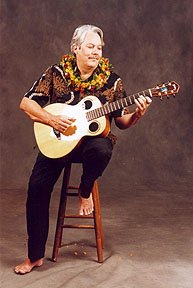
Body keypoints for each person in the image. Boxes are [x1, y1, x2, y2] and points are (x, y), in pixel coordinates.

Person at [14, 24, 152, 274]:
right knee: (36, 188)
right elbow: (26, 103)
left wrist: (137, 115)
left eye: (99, 47)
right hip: (58, 140)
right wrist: (51, 120)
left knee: (102, 148)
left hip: (89, 144)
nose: (96, 52)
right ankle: (35, 257)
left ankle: (85, 190)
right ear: (75, 48)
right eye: (90, 46)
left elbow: (122, 122)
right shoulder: (56, 74)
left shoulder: (112, 81)